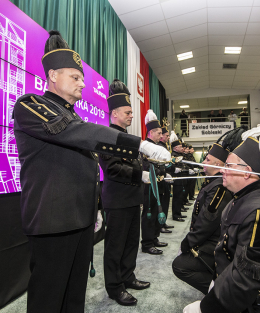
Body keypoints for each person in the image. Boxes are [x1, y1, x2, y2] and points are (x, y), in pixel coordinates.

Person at [12, 30, 170, 312]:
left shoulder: (74, 116)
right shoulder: (30, 105)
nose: (83, 83)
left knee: (74, 295)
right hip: (53, 221)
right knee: (49, 297)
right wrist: (139, 145)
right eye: (75, 77)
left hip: (80, 219)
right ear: (52, 76)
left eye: (82, 78)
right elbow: (71, 132)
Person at [184, 137, 260, 313]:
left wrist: (208, 306)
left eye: (228, 166)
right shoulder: (239, 199)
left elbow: (249, 276)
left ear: (246, 172)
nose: (222, 170)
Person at [99, 79, 150, 307]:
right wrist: (140, 174)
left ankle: (127, 277)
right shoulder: (106, 136)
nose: (131, 116)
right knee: (115, 247)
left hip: (131, 200)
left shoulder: (127, 137)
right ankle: (114, 287)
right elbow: (112, 169)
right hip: (117, 201)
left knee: (131, 243)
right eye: (128, 112)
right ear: (115, 113)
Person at [172, 143, 232, 294]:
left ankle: (221, 293)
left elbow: (206, 222)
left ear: (218, 164)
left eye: (208, 160)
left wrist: (187, 243)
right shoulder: (213, 182)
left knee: (180, 266)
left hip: (214, 243)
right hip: (209, 238)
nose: (203, 163)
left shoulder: (218, 187)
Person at [141, 110, 168, 255]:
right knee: (149, 215)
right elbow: (146, 165)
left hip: (159, 184)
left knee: (159, 212)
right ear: (151, 132)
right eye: (158, 133)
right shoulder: (146, 146)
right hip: (150, 187)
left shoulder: (157, 146)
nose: (161, 136)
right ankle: (147, 243)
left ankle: (154, 238)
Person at [158, 126, 175, 233]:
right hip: (160, 178)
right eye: (166, 135)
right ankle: (160, 225)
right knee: (162, 203)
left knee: (165, 202)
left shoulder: (164, 146)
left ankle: (163, 223)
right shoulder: (159, 146)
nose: (168, 137)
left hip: (165, 177)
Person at [170, 132, 188, 222]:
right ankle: (176, 215)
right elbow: (170, 166)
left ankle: (179, 213)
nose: (182, 148)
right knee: (177, 198)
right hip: (177, 179)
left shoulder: (179, 155)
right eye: (180, 147)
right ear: (175, 148)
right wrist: (175, 169)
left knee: (180, 197)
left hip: (181, 178)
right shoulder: (173, 155)